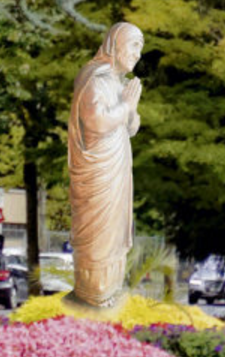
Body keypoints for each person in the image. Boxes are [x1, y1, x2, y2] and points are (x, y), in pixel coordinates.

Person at [67, 22, 143, 308]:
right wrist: (126, 107)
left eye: (140, 48)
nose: (137, 54)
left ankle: (109, 290)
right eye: (134, 45)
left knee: (115, 229)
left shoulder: (119, 84)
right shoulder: (95, 77)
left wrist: (130, 109)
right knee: (97, 231)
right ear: (116, 43)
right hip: (97, 171)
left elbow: (131, 127)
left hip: (117, 169)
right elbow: (96, 121)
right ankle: (93, 293)